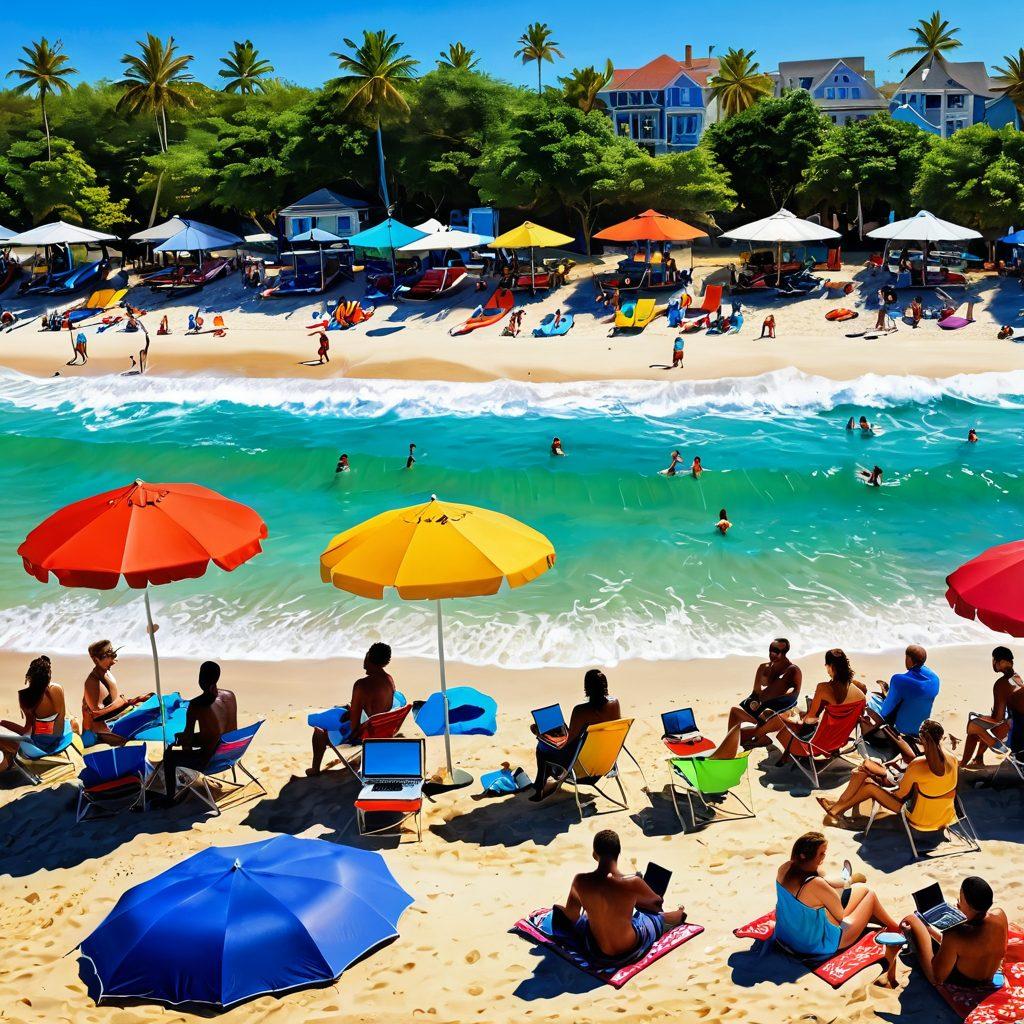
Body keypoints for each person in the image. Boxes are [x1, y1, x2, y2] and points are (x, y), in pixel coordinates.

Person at [553, 830, 687, 964]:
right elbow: (657, 903)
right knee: (656, 918)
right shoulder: (632, 882)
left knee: (588, 918)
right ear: (618, 853)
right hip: (630, 950)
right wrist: (636, 894)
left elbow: (571, 915)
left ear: (594, 854)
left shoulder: (580, 881)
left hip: (598, 952)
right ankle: (678, 914)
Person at [775, 832, 899, 964]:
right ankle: (896, 928)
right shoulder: (815, 884)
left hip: (787, 936)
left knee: (859, 891)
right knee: (869, 895)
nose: (824, 857)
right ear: (805, 855)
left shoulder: (785, 868)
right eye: (821, 854)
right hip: (816, 945)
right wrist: (837, 892)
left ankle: (848, 882)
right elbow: (840, 915)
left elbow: (820, 877)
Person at [817, 719, 956, 826]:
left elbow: (899, 794)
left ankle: (836, 810)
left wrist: (881, 784)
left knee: (869, 786)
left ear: (922, 739)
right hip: (945, 814)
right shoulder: (953, 759)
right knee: (865, 777)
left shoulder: (918, 764)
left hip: (920, 817)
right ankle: (837, 808)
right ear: (941, 737)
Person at [743, 648, 866, 755]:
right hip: (837, 742)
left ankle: (756, 736)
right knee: (791, 711)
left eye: (827, 666)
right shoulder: (860, 696)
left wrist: (799, 719)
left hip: (814, 746)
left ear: (831, 667)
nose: (826, 669)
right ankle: (758, 734)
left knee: (777, 715)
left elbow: (810, 720)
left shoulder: (824, 688)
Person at [899, 876, 1008, 989]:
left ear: (970, 906)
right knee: (928, 929)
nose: (957, 904)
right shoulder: (1000, 915)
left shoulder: (954, 935)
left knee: (912, 920)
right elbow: (971, 944)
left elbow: (937, 978)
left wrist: (918, 930)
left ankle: (914, 935)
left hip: (964, 981)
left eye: (960, 900)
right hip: (987, 975)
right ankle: (926, 929)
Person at [531, 669, 621, 801]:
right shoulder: (615, 704)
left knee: (542, 747)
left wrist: (542, 735)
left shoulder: (581, 710)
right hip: (605, 763)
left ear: (586, 688)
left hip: (581, 768)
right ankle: (546, 783)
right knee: (552, 739)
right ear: (605, 686)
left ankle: (541, 787)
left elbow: (566, 743)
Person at [307, 643, 397, 775]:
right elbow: (376, 709)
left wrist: (348, 716)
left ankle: (315, 770)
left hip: (363, 736)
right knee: (342, 713)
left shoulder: (362, 685)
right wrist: (352, 712)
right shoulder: (389, 680)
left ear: (369, 656)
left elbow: (354, 727)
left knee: (319, 732)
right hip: (381, 731)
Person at [159, 661, 237, 801]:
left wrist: (182, 741)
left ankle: (170, 798)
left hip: (210, 760)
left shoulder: (197, 704)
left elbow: (187, 741)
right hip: (231, 753)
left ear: (200, 679)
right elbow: (216, 732)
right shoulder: (230, 695)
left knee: (169, 756)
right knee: (184, 739)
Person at [960, 646, 1024, 768]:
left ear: (1000, 662)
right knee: (982, 725)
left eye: (994, 660)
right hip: (1018, 725)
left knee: (974, 726)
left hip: (1017, 737)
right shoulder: (1016, 678)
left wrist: (978, 718)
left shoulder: (1001, 684)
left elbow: (997, 718)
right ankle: (978, 759)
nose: (993, 663)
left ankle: (963, 764)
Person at [81, 640, 152, 747]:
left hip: (111, 720)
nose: (113, 659)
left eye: (113, 653)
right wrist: (128, 701)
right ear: (96, 659)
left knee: (150, 712)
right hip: (96, 734)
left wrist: (135, 701)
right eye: (108, 655)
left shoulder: (106, 672)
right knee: (137, 740)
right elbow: (96, 715)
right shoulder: (93, 682)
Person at [0, 656, 66, 772]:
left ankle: (9, 761)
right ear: (48, 675)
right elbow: (61, 718)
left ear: (30, 677)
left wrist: (6, 726)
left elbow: (27, 730)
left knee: (3, 727)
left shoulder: (26, 697)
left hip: (39, 745)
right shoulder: (58, 688)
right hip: (59, 738)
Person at [862, 644, 940, 740]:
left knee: (871, 700)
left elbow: (885, 711)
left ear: (909, 659)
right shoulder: (935, 679)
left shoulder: (898, 679)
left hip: (902, 729)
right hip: (921, 727)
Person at [728, 639, 803, 731]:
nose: (772, 653)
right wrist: (753, 702)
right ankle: (730, 742)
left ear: (784, 653)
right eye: (771, 649)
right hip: (760, 706)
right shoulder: (763, 667)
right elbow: (755, 692)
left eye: (776, 651)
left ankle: (734, 741)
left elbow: (787, 694)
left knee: (736, 713)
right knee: (735, 711)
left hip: (772, 710)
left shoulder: (792, 670)